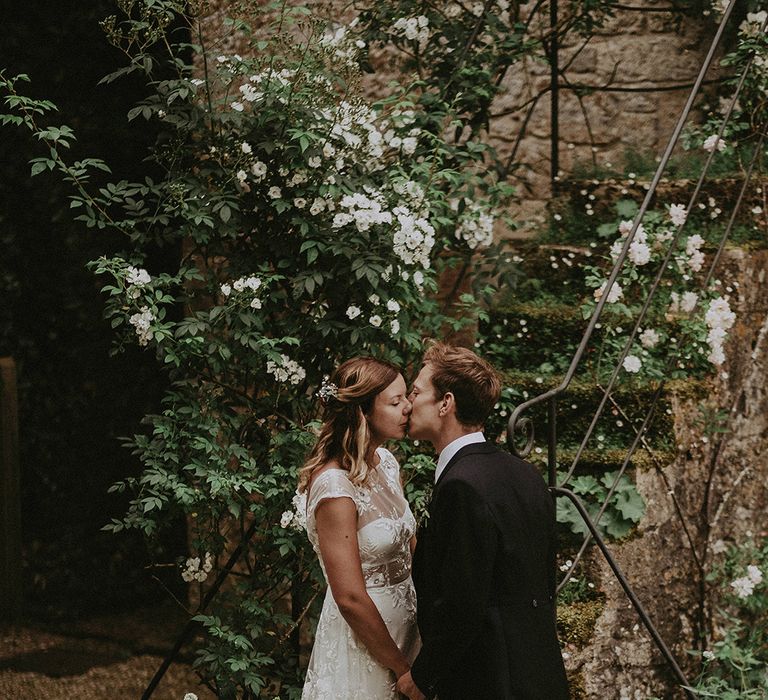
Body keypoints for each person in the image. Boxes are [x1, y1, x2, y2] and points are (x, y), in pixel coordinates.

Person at [396, 342, 569, 700]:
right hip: (539, 672)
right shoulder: (525, 474)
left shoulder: (462, 485)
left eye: (415, 392)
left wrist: (422, 676)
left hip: (489, 679)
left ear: (446, 403)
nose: (408, 403)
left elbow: (462, 600)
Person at [298, 356, 421, 699]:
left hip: (411, 632)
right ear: (362, 413)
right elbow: (349, 597)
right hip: (366, 645)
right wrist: (402, 668)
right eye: (396, 402)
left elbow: (410, 546)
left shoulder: (387, 464)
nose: (408, 407)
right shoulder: (335, 487)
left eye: (406, 397)